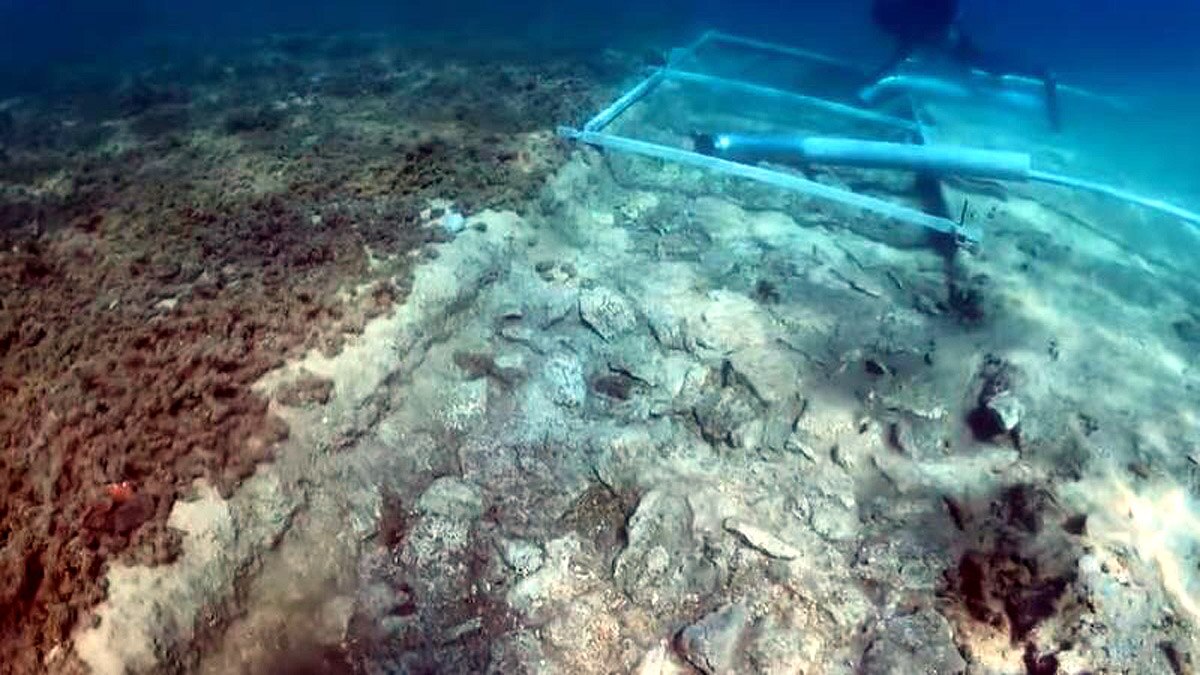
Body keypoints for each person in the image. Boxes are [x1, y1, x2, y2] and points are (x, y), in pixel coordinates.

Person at [869, 0, 1061, 130]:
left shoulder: (931, 25)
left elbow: (943, 17)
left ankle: (1039, 73)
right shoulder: (906, 20)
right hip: (926, 27)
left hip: (930, 27)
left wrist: (937, 29)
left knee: (980, 67)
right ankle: (1038, 74)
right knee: (976, 66)